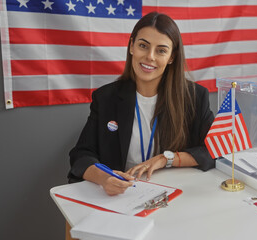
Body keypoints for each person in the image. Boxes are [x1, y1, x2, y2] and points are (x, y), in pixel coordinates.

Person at [68, 12, 215, 196]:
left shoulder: (195, 97)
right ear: (132, 47)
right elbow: (81, 155)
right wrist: (104, 178)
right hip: (123, 195)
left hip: (175, 196)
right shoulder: (106, 97)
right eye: (143, 46)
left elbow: (215, 150)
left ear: (171, 57)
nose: (150, 57)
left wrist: (166, 159)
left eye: (161, 50)